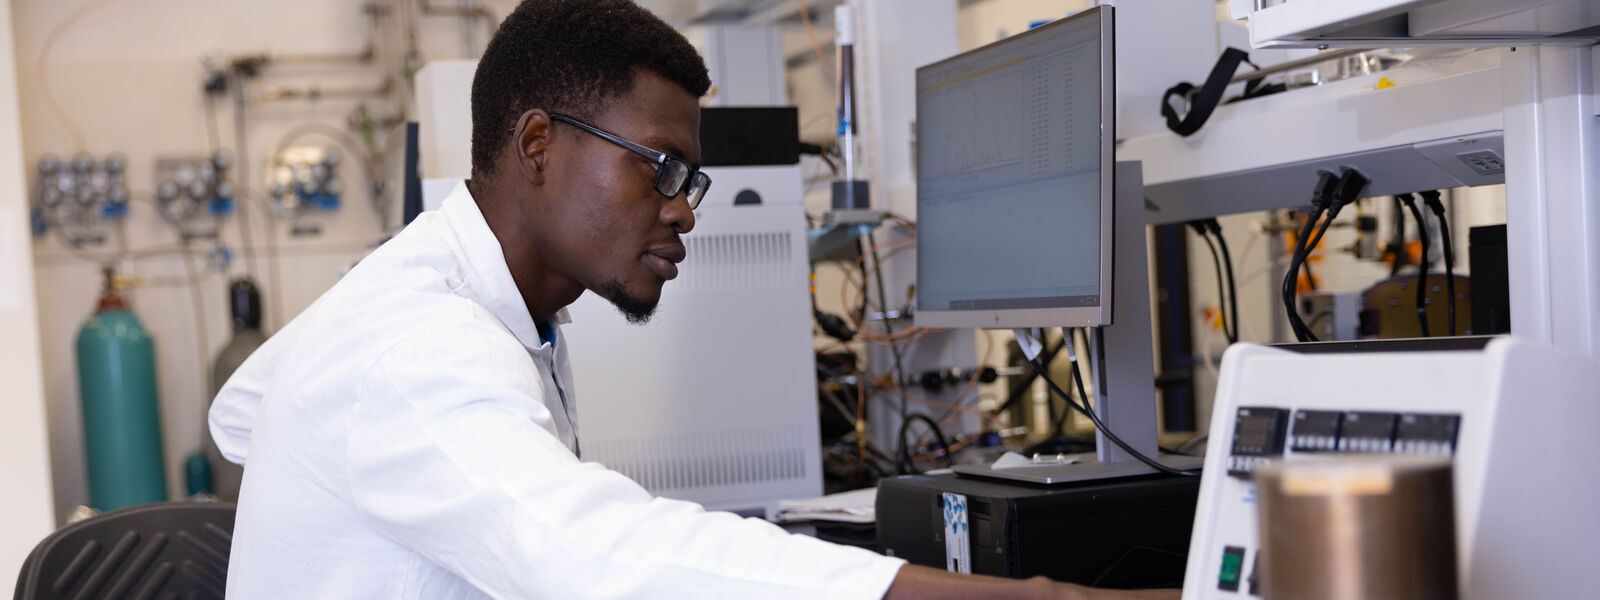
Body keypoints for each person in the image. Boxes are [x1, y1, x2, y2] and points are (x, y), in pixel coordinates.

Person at [208, 1, 1178, 598]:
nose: (683, 210)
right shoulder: (420, 346)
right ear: (538, 145)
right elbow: (590, 557)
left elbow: (243, 411)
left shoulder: (460, 302)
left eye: (692, 181)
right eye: (661, 169)